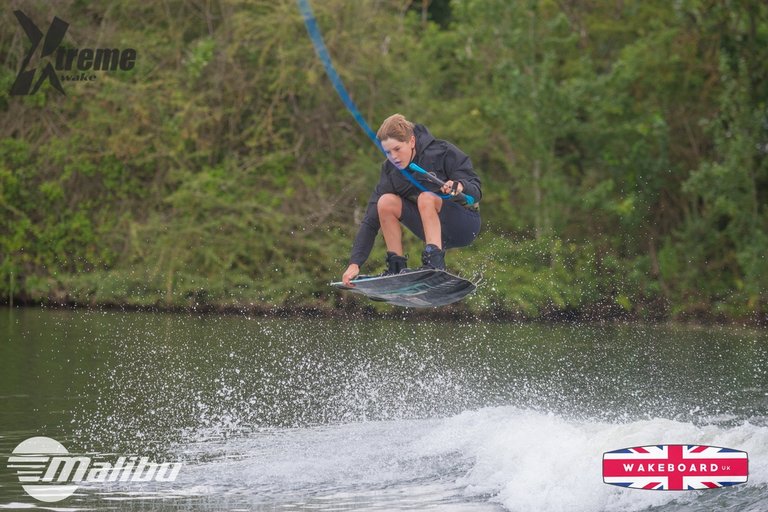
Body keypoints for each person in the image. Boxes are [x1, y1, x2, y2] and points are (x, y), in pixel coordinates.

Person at [341, 114, 481, 286]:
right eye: (388, 152)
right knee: (384, 202)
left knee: (426, 198)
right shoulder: (390, 172)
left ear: (412, 141)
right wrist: (354, 263)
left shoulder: (442, 151)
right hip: (431, 229)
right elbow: (370, 222)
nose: (393, 157)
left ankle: (434, 264)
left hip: (464, 225)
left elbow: (476, 190)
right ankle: (396, 267)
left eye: (397, 149)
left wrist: (460, 186)